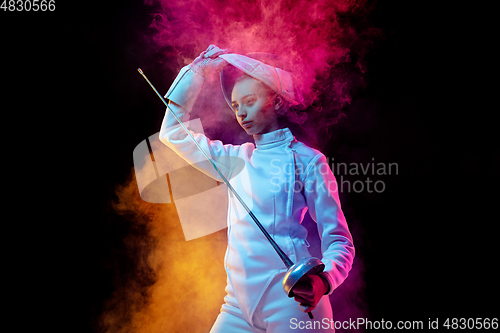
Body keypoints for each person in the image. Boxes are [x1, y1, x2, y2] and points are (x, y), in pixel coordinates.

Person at [159, 44, 355, 333]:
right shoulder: (235, 159)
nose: (241, 112)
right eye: (236, 106)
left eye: (249, 101)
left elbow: (340, 241)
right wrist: (197, 72)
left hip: (293, 304)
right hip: (237, 305)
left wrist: (323, 281)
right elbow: (172, 133)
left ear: (277, 101)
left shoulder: (309, 160)